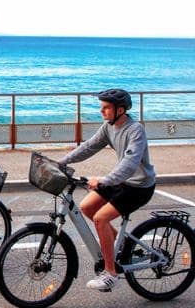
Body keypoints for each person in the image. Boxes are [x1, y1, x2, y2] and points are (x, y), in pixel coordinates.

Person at [59, 88, 156, 291]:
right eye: (101, 108)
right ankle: (118, 244)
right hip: (120, 182)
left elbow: (130, 164)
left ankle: (111, 273)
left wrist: (104, 181)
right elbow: (89, 146)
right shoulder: (108, 127)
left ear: (120, 110)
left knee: (101, 218)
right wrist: (62, 162)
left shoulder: (135, 130)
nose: (102, 111)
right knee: (86, 207)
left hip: (139, 186)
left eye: (106, 108)